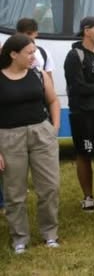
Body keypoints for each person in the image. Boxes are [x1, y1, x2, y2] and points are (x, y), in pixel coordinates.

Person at [0, 34, 61, 254]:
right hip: (8, 137)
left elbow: (53, 100)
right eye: (29, 52)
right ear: (13, 54)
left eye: (34, 51)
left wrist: (53, 129)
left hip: (41, 133)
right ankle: (19, 238)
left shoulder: (38, 74)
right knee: (14, 191)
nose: (33, 56)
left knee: (50, 187)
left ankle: (50, 234)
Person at [64, 16, 94, 212]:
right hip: (83, 114)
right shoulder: (75, 55)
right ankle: (88, 197)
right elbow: (77, 87)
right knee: (84, 154)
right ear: (86, 30)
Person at [15, 18, 55, 83]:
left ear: (36, 33)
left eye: (29, 33)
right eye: (21, 33)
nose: (24, 36)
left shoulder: (44, 53)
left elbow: (49, 78)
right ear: (17, 33)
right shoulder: (10, 52)